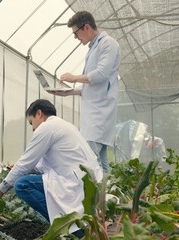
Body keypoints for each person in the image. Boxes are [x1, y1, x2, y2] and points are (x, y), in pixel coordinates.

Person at [0, 99, 103, 238]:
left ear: (39, 113)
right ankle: (70, 226)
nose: (33, 128)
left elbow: (26, 162)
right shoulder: (63, 126)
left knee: (22, 185)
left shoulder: (47, 128)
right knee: (28, 181)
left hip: (75, 183)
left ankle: (68, 228)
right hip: (84, 181)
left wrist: (1, 189)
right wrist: (20, 167)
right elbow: (42, 165)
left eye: (31, 122)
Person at [47, 11, 121, 173]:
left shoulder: (108, 44)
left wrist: (74, 78)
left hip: (99, 114)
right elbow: (93, 85)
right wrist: (70, 92)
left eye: (75, 33)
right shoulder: (94, 47)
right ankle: (107, 196)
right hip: (94, 114)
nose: (75, 37)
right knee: (100, 162)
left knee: (88, 161)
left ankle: (97, 197)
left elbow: (101, 74)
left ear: (86, 27)